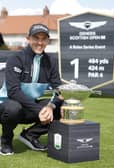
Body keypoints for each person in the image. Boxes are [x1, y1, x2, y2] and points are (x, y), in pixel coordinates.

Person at [0, 23, 64, 155]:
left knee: (61, 106)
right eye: (36, 38)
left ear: (47, 41)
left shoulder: (51, 62)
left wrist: (50, 106)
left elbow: (59, 89)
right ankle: (6, 140)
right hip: (6, 107)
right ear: (28, 39)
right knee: (13, 108)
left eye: (43, 39)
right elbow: (13, 92)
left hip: (29, 107)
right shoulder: (16, 58)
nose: (40, 42)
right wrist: (41, 109)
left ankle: (30, 135)